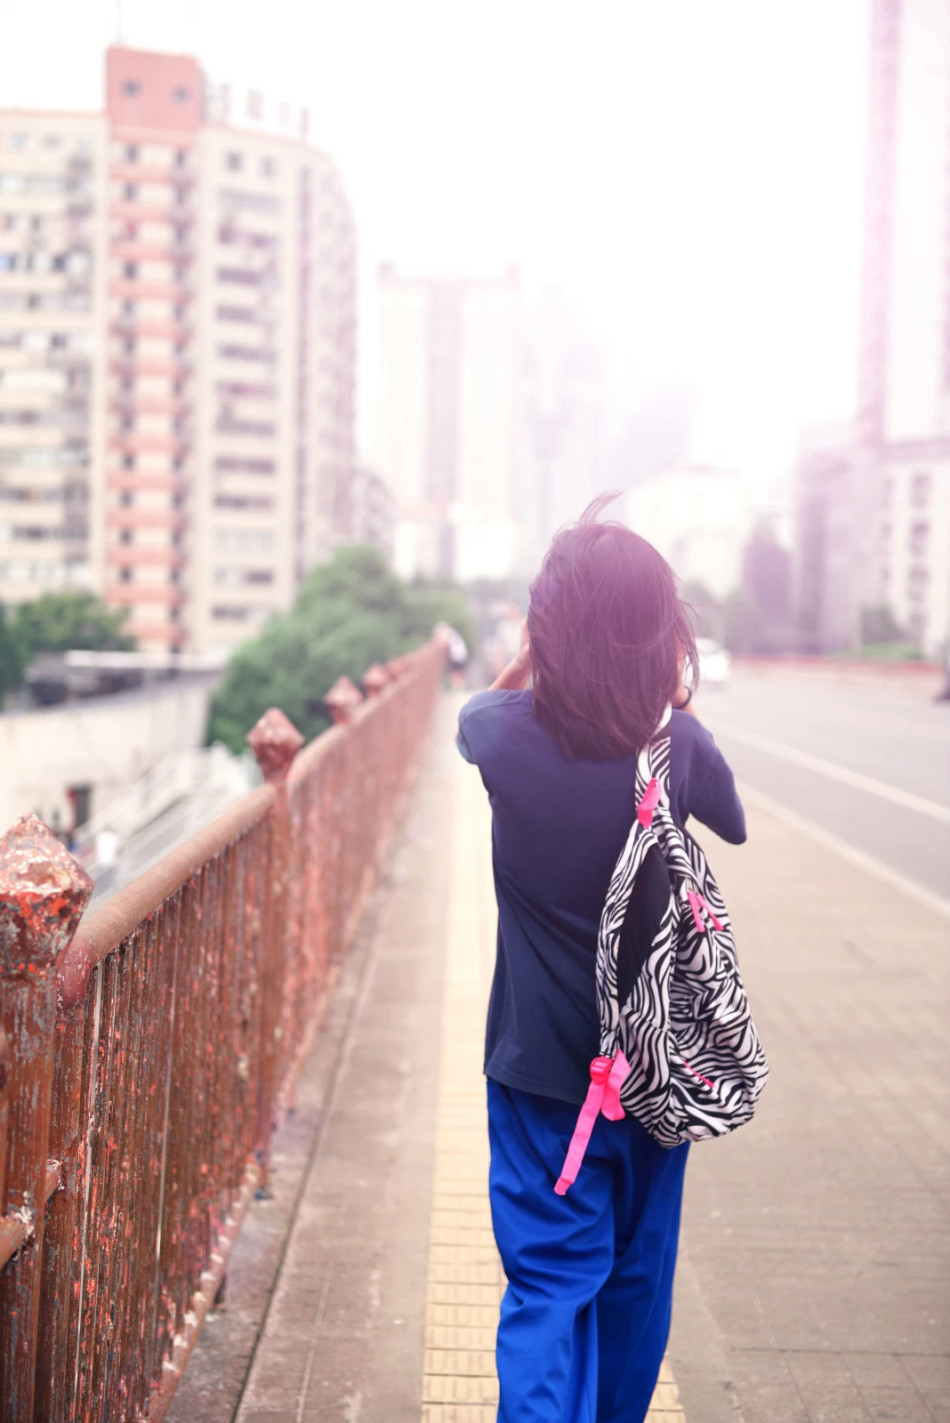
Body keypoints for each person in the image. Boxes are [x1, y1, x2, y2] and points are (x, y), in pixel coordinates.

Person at [456, 497, 747, 1423]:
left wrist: (545, 654)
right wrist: (666, 703)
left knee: (550, 1289)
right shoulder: (681, 749)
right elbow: (732, 821)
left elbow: (487, 705)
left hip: (544, 1080)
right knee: (634, 1288)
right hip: (658, 1074)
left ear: (547, 632)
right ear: (659, 639)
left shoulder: (501, 737)